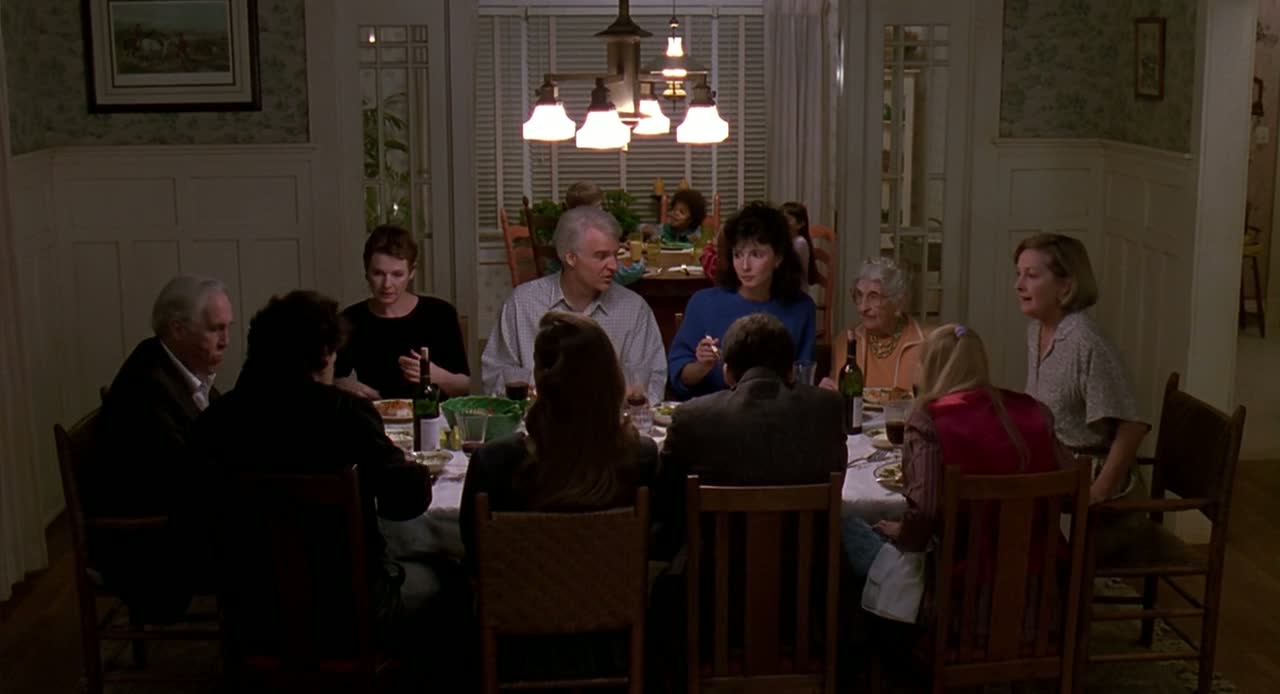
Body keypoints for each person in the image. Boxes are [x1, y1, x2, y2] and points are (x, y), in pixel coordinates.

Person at [189, 291, 464, 654]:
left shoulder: (217, 419)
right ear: (323, 355)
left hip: (249, 608)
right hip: (345, 607)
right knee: (453, 576)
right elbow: (406, 501)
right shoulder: (345, 414)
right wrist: (405, 464)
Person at [461, 311, 658, 682]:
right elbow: (656, 543)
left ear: (539, 379)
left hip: (517, 649)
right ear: (612, 378)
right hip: (613, 644)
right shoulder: (641, 457)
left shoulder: (495, 461)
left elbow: (474, 555)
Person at [93, 274, 233, 622]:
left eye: (227, 328)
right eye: (215, 329)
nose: (226, 341)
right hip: (152, 549)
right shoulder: (147, 389)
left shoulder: (175, 367)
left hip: (178, 521)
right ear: (177, 329)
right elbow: (188, 477)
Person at [655, 313, 845, 557]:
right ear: (791, 372)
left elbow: (666, 502)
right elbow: (838, 479)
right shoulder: (829, 409)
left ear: (727, 373)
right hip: (809, 571)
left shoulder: (691, 417)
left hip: (712, 573)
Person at [483, 206, 666, 404]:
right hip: (538, 419)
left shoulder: (634, 309)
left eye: (615, 255)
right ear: (570, 258)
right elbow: (495, 375)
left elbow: (652, 383)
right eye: (601, 256)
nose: (614, 266)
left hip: (611, 421)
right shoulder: (522, 304)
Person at [1014, 234, 1149, 503]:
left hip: (1089, 482)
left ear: (1065, 286)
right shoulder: (1035, 330)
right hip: (1054, 470)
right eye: (1018, 274)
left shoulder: (1085, 341)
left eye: (1032, 275)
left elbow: (1133, 426)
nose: (1019, 285)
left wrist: (1098, 492)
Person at [667, 203, 816, 399]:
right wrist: (701, 366)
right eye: (738, 254)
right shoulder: (703, 303)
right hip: (714, 411)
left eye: (756, 254)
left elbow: (803, 379)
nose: (745, 266)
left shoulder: (801, 308)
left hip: (777, 412)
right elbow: (678, 379)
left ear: (778, 258)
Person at [334, 225, 470, 400]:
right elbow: (331, 379)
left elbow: (465, 387)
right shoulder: (351, 319)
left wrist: (435, 376)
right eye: (378, 273)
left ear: (411, 272)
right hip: (376, 412)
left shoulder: (440, 313)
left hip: (431, 413)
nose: (387, 284)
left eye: (397, 274)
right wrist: (350, 387)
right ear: (366, 272)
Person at [820, 257, 927, 392]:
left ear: (899, 302)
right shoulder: (846, 340)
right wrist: (826, 395)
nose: (862, 308)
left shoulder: (927, 343)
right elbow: (840, 394)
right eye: (859, 295)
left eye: (874, 297)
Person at [781, 201, 818, 286]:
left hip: (795, 290)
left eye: (787, 220)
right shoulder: (785, 241)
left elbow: (790, 273)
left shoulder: (800, 242)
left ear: (800, 224)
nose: (783, 223)